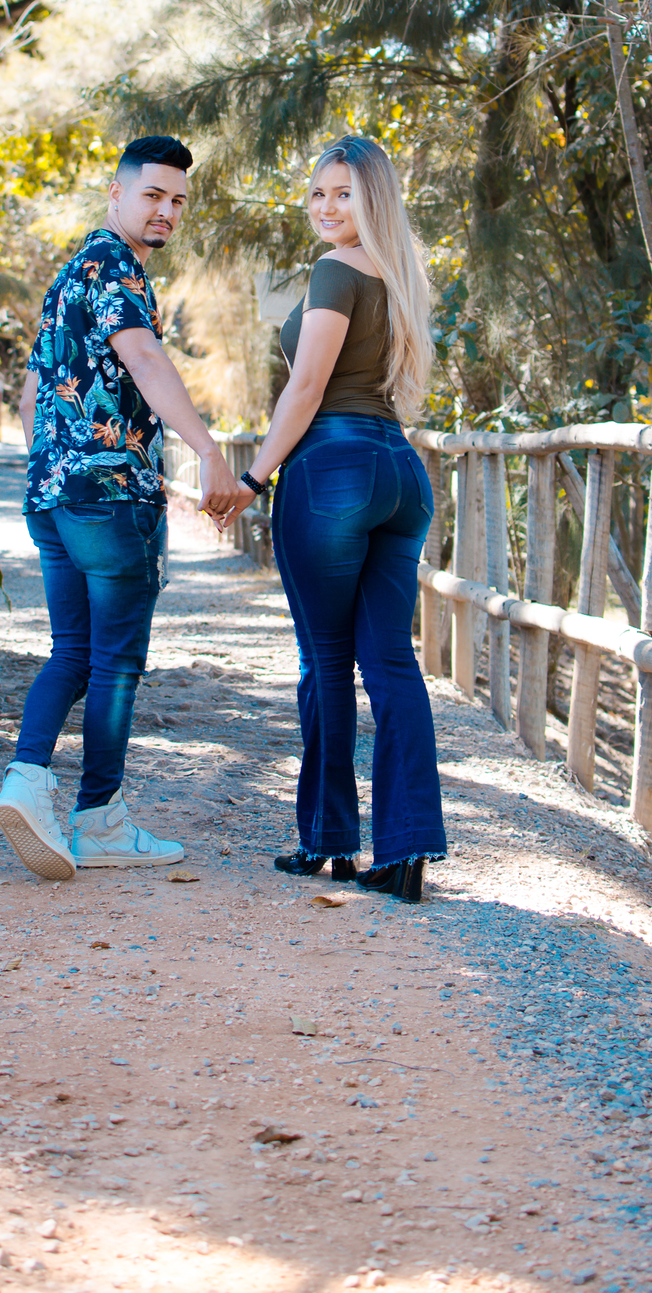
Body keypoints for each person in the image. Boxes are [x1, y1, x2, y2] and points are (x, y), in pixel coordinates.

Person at [0, 135, 240, 881]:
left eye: (177, 201)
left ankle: (26, 779)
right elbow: (145, 358)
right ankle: (99, 820)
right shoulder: (119, 269)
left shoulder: (69, 275)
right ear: (117, 193)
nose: (166, 211)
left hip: (54, 497)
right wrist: (208, 450)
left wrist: (56, 472)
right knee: (117, 664)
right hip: (111, 500)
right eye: (153, 195)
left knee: (72, 652)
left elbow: (32, 397)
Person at [223, 135, 445, 902]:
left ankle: (329, 839)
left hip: (333, 470)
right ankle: (406, 852)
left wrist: (254, 476)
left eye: (343, 193)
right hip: (399, 472)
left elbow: (308, 385)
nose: (325, 206)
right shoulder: (400, 275)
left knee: (325, 661)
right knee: (389, 661)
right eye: (317, 193)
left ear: (372, 200)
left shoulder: (333, 271)